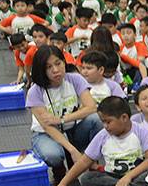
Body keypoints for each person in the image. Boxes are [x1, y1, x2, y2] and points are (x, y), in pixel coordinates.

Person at [48, 96, 148, 186]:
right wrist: (63, 184)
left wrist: (128, 177)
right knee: (86, 178)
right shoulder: (103, 136)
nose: (105, 126)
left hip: (136, 176)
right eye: (103, 122)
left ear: (124, 117)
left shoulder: (141, 132)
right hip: (113, 178)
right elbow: (84, 162)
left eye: (108, 122)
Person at [26, 45, 103, 177]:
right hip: (46, 134)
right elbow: (48, 126)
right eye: (48, 67)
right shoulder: (35, 91)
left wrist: (62, 119)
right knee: (53, 155)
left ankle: (90, 160)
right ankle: (59, 167)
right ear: (41, 69)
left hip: (72, 129)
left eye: (58, 63)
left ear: (64, 62)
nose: (55, 70)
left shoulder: (75, 79)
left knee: (96, 119)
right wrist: (72, 151)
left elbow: (91, 107)